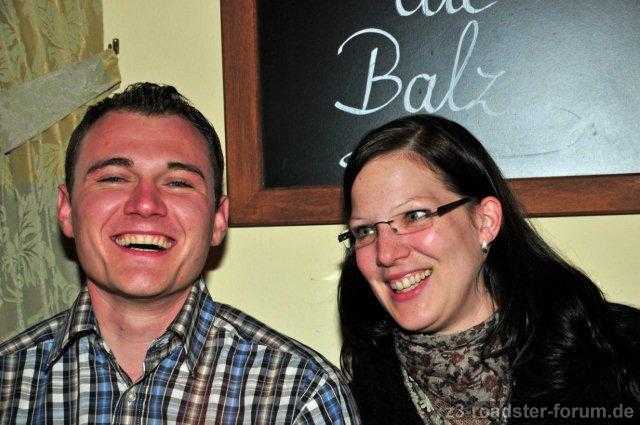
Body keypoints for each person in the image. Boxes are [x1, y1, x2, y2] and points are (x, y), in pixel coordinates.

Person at [0, 83, 359, 424]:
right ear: (66, 210)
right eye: (114, 178)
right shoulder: (8, 382)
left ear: (218, 220)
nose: (145, 204)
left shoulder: (301, 396)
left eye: (178, 183)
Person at [336, 114, 640, 424]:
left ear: (485, 221)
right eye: (365, 231)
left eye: (415, 216)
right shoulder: (351, 400)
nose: (386, 253)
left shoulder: (617, 354)